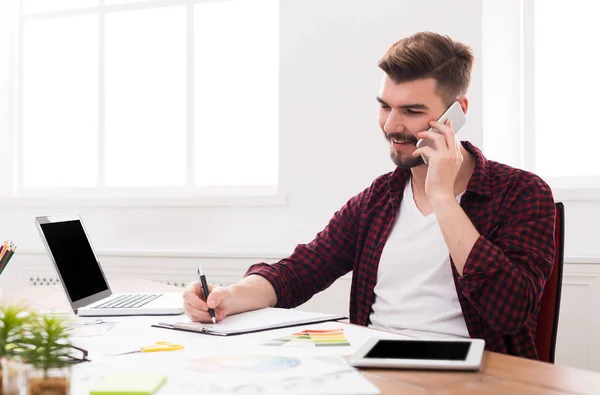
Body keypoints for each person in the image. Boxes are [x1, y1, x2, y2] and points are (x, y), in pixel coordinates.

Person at [182, 32, 555, 360]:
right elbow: (301, 270)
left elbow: (510, 312)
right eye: (384, 106)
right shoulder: (381, 198)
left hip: (477, 376)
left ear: (457, 112)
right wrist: (228, 296)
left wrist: (441, 195)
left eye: (411, 111)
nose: (391, 125)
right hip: (374, 368)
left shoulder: (521, 193)